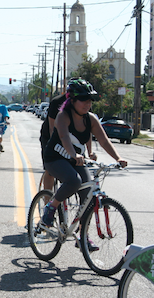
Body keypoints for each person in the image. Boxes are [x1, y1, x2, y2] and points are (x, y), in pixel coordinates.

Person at [41, 79, 127, 250]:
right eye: (84, 100)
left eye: (90, 100)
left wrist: (118, 158)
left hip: (76, 159)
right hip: (55, 158)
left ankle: (83, 237)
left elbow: (103, 140)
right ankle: (51, 207)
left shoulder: (91, 119)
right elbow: (65, 138)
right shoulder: (63, 116)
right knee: (74, 181)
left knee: (88, 193)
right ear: (72, 100)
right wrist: (74, 155)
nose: (88, 104)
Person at [39, 78, 96, 191]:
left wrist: (89, 152)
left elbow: (87, 129)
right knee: (50, 170)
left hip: (72, 137)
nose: (86, 102)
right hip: (51, 137)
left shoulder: (83, 104)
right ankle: (47, 199)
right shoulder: (56, 102)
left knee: (75, 169)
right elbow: (52, 128)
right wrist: (55, 148)